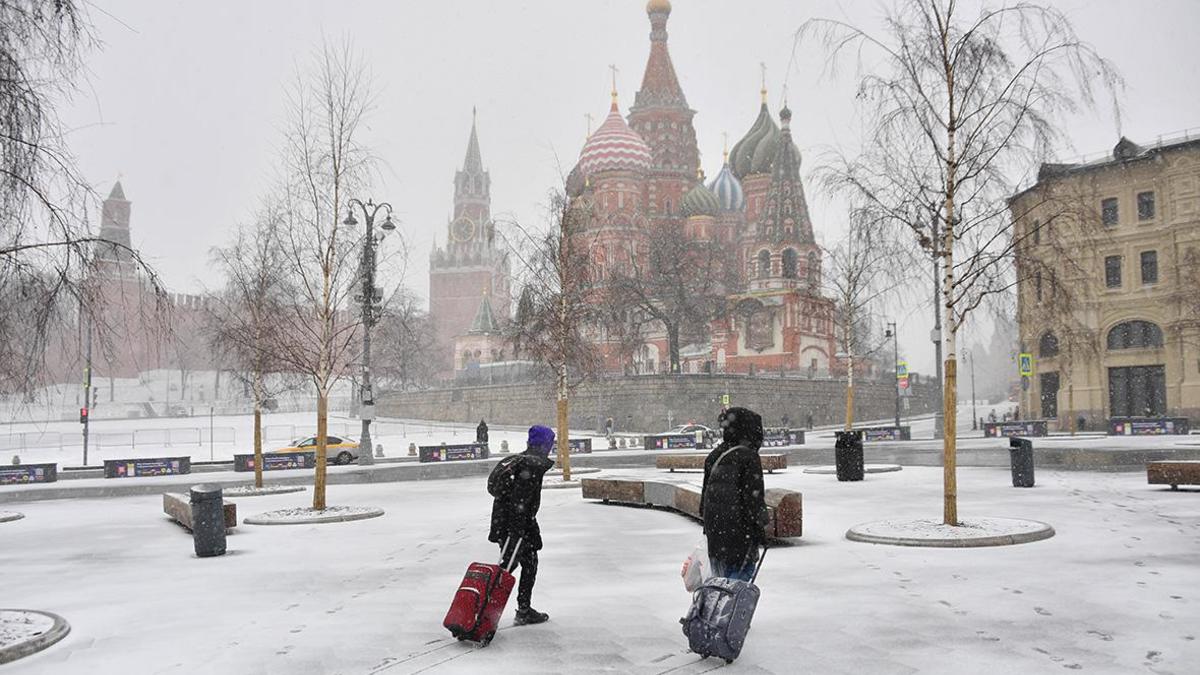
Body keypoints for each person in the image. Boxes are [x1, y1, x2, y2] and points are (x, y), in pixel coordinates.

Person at [487, 424, 555, 625]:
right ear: (543, 445)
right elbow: (520, 502)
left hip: (513, 524)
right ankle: (484, 614)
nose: (551, 447)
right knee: (507, 568)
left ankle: (522, 609)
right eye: (549, 443)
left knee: (528, 563)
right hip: (515, 527)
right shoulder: (530, 466)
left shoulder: (521, 460)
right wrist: (516, 532)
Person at [699, 407, 769, 581]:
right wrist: (760, 529)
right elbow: (754, 501)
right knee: (736, 593)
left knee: (719, 593)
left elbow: (704, 503)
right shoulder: (748, 458)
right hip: (740, 541)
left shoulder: (714, 456)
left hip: (716, 541)